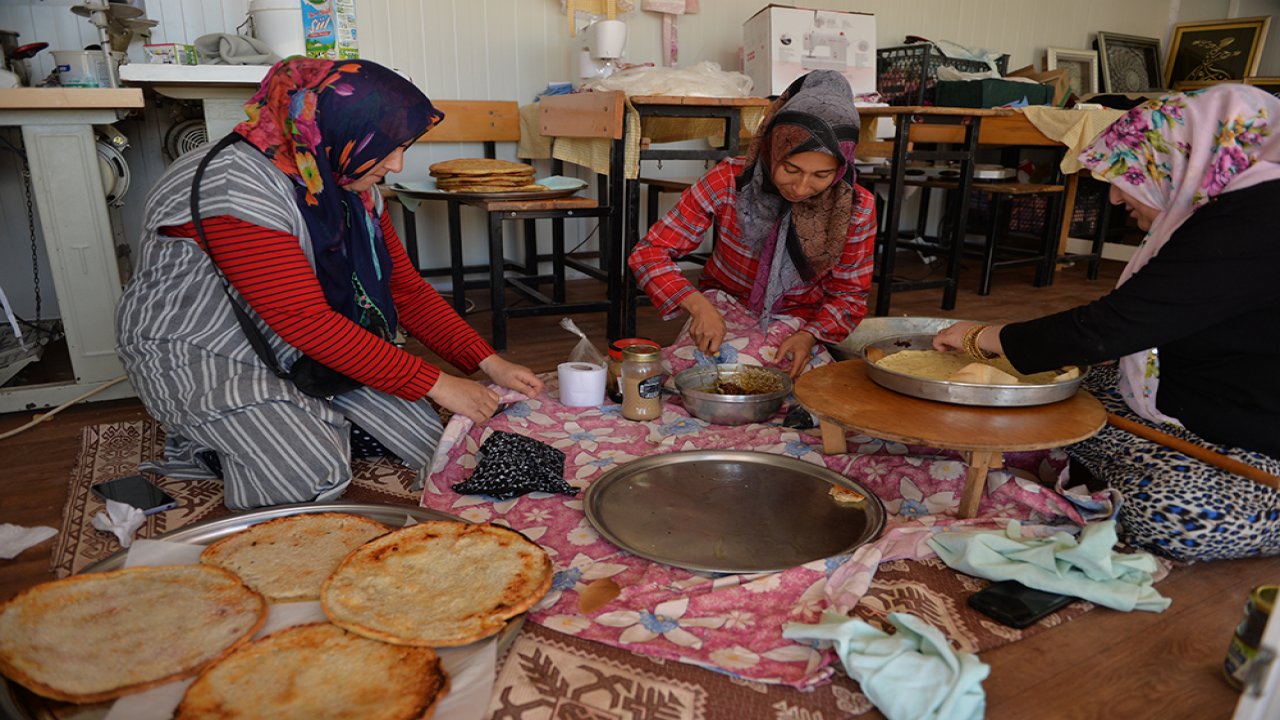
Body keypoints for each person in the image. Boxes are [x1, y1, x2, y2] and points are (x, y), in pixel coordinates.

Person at [115, 58, 543, 510]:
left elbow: (404, 289)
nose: (396, 165)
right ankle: (201, 438)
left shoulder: (344, 180)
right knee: (310, 477)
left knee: (438, 443)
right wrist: (438, 383)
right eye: (387, 148)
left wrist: (488, 362)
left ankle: (299, 416)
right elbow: (306, 320)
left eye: (403, 147)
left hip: (290, 345)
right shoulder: (234, 185)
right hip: (203, 349)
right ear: (337, 127)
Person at [934, 84, 1280, 562]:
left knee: (1172, 512)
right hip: (1201, 397)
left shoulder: (1259, 221)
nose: (1115, 197)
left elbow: (1113, 327)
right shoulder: (1233, 204)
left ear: (1185, 158)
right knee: (1047, 399)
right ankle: (1087, 463)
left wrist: (983, 337)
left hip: (1257, 440)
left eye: (1129, 175)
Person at [628, 70, 876, 378]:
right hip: (724, 307)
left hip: (800, 320)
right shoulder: (730, 180)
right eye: (790, 168)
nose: (800, 188)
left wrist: (809, 335)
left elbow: (849, 295)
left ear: (842, 169)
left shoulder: (856, 207)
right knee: (704, 370)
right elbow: (649, 252)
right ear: (772, 147)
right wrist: (699, 308)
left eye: (821, 176)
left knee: (787, 380)